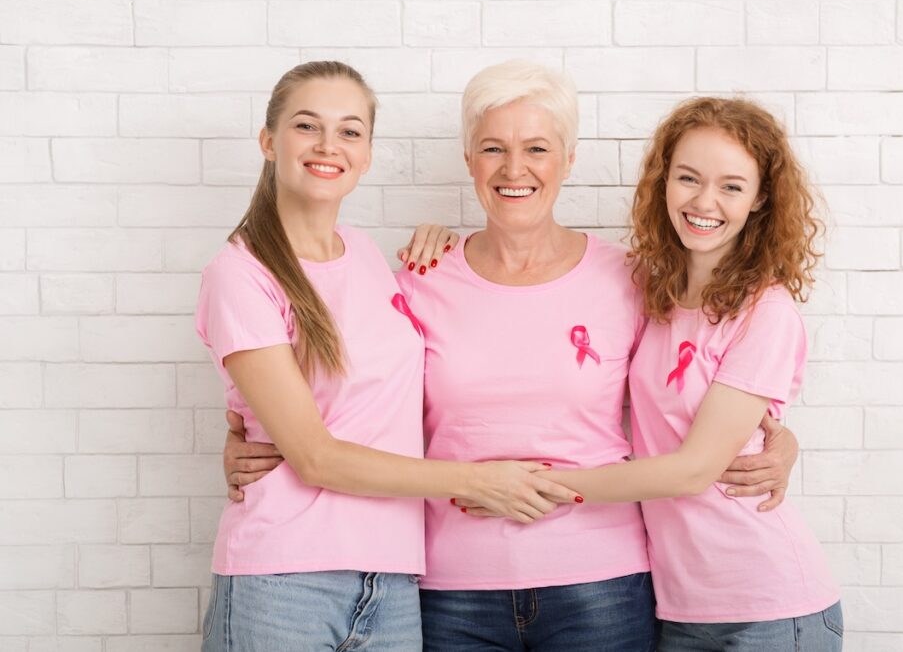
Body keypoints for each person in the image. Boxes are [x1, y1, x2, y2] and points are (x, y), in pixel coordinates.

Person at [223, 62, 801, 651]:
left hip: (600, 583)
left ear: (568, 160)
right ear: (469, 159)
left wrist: (778, 441)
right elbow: (363, 393)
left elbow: (689, 383)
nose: (514, 168)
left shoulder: (633, 280)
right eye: (493, 148)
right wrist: (256, 429)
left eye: (537, 149)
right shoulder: (418, 278)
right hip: (453, 591)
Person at [195, 60, 579, 652]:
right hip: (283, 580)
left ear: (368, 154)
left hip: (393, 584)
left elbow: (397, 399)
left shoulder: (368, 256)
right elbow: (315, 457)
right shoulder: (241, 275)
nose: (328, 145)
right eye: (306, 126)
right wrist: (480, 482)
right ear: (269, 141)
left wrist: (447, 242)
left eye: (349, 131)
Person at [504, 97, 843, 651]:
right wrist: (441, 239)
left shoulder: (766, 313)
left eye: (731, 186)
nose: (704, 202)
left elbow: (692, 471)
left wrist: (540, 486)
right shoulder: (650, 294)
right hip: (680, 607)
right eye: (688, 178)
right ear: (664, 182)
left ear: (760, 199)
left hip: (768, 608)